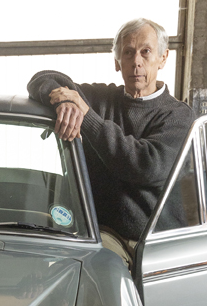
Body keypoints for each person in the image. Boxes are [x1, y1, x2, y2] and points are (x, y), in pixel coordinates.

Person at [27, 18, 195, 256]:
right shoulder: (100, 99)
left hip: (159, 239)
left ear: (163, 58)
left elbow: (147, 166)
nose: (136, 62)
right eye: (128, 53)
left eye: (145, 52)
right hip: (109, 235)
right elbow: (42, 77)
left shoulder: (178, 115)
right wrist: (63, 99)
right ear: (117, 62)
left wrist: (88, 118)